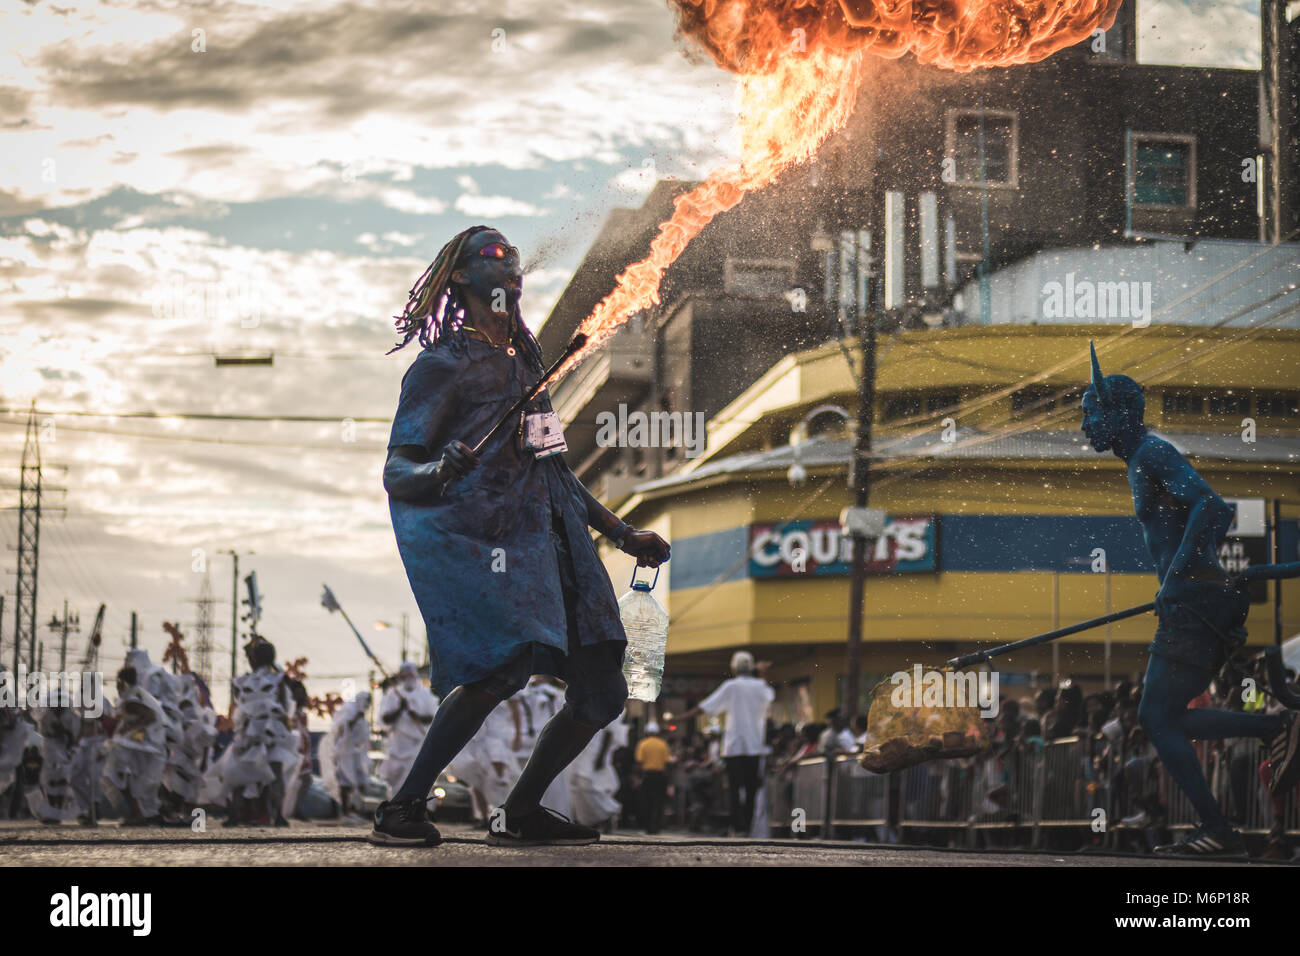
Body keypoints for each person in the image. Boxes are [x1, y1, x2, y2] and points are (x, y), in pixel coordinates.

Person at [370, 225, 669, 848]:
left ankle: (519, 813)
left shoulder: (528, 361)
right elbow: (398, 471)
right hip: (493, 543)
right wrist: (438, 468)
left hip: (556, 541)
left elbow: (553, 466)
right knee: (500, 671)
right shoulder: (442, 363)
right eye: (494, 255)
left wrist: (620, 533)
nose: (510, 265)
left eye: (513, 257)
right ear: (459, 276)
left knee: (603, 692)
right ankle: (401, 809)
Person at [1082, 343, 1300, 854]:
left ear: (1120, 414)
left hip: (1196, 601)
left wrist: (1176, 578)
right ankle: (1272, 728)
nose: (1087, 427)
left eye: (1092, 415)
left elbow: (1214, 508)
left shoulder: (1152, 453)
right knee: (1165, 716)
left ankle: (1222, 830)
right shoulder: (1141, 458)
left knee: (1157, 716)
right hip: (1197, 600)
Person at [676, 651, 774, 836]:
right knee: (752, 789)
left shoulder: (731, 686)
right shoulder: (760, 686)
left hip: (734, 747)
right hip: (755, 747)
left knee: (735, 788)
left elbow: (706, 707)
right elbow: (769, 697)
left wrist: (681, 718)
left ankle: (738, 828)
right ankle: (748, 826)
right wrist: (761, 675)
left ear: (734, 668)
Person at [100, 666, 167, 825]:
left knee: (118, 771)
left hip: (147, 745)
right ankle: (141, 813)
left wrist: (130, 730)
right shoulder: (139, 694)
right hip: (148, 745)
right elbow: (127, 721)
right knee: (137, 781)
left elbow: (148, 717)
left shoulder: (132, 698)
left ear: (123, 682)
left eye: (118, 683)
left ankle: (139, 813)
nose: (116, 687)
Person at [378, 662, 439, 799]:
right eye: (405, 676)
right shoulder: (393, 694)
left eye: (410, 676)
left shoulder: (425, 693)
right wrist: (400, 709)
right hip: (397, 744)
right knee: (396, 781)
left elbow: (431, 718)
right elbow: (386, 719)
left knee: (416, 777)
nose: (408, 679)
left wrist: (415, 715)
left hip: (417, 745)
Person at [569, 707, 628, 830]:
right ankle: (588, 820)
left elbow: (609, 732)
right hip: (584, 747)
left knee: (588, 783)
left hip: (595, 751)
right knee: (576, 783)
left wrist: (601, 756)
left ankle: (608, 812)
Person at [327, 689, 372, 821]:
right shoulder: (349, 710)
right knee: (345, 782)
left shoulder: (363, 716)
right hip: (344, 752)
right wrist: (356, 716)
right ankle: (344, 811)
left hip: (356, 753)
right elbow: (343, 729)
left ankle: (353, 809)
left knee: (359, 781)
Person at [634, 721, 671, 834]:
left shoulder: (643, 744)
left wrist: (638, 777)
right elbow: (667, 762)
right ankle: (658, 827)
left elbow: (639, 762)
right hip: (660, 776)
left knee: (647, 802)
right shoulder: (663, 744)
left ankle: (648, 827)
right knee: (659, 802)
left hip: (647, 775)